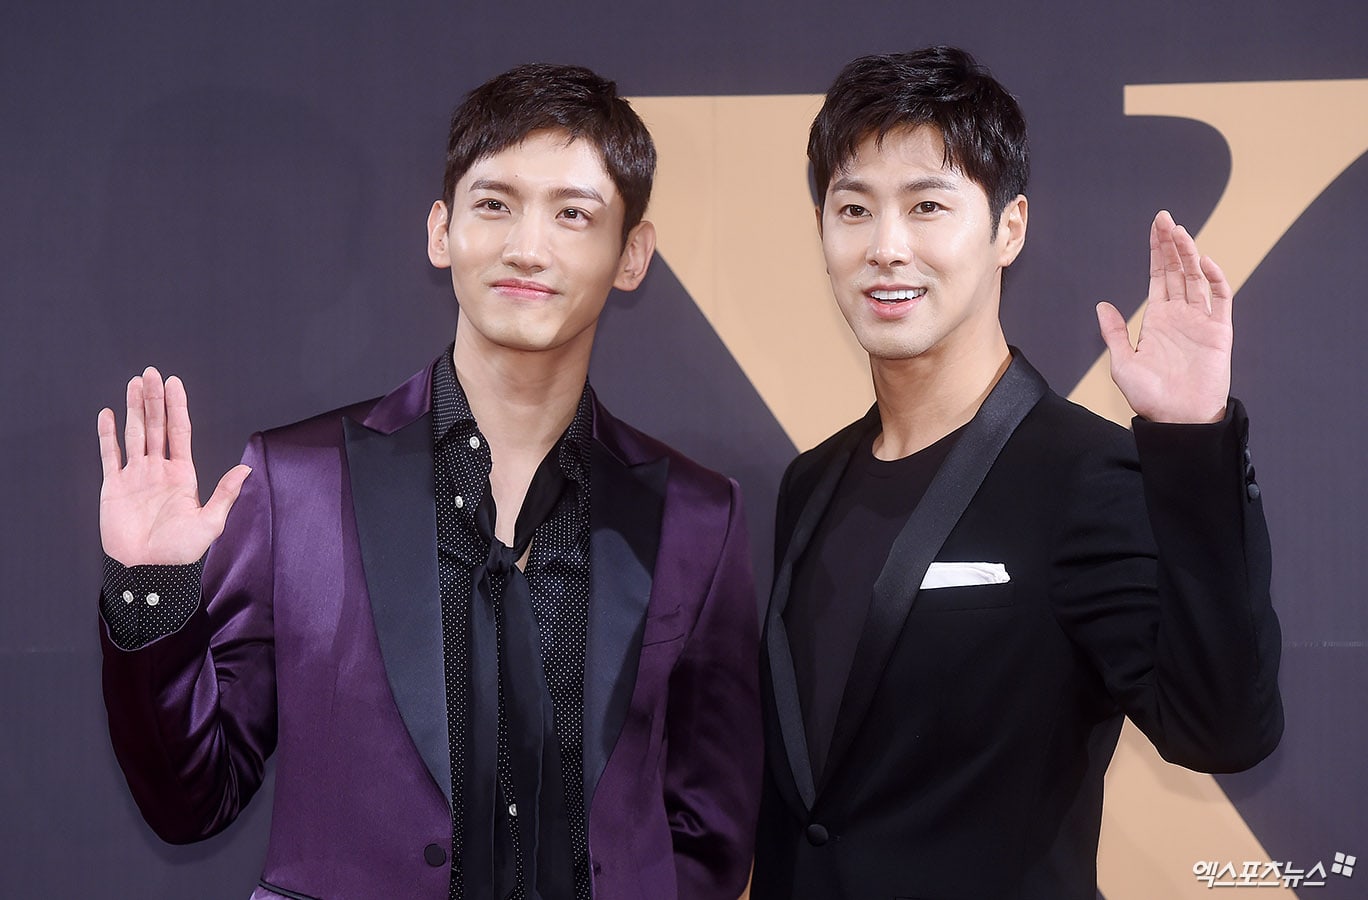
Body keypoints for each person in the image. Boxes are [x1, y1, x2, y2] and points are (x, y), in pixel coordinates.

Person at [96, 64, 761, 900]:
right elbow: (192, 797)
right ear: (441, 231)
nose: (528, 247)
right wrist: (151, 588)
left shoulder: (698, 516)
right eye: (495, 204)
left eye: (573, 214)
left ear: (631, 254)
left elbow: (711, 832)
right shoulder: (300, 485)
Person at [752, 47, 1282, 900]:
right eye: (853, 209)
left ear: (1009, 228)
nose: (885, 248)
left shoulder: (1085, 476)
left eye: (927, 206)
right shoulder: (809, 485)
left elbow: (1221, 730)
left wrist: (1193, 441)